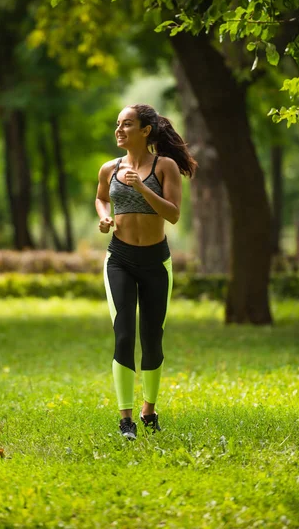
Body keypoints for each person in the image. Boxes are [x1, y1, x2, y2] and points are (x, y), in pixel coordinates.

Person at [95, 103, 197, 440]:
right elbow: (101, 199)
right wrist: (105, 216)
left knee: (152, 340)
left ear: (145, 130)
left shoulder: (164, 166)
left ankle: (148, 410)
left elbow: (173, 215)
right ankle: (126, 419)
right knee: (124, 335)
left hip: (156, 262)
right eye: (118, 124)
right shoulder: (108, 168)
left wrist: (140, 187)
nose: (119, 130)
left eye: (127, 124)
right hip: (119, 259)